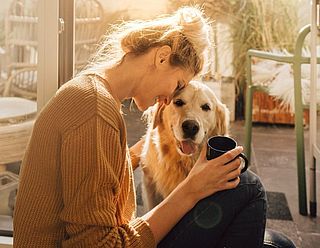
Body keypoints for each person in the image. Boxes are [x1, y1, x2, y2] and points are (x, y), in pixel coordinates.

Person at [13, 6, 266, 247]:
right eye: (178, 84)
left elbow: (96, 170)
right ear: (162, 57)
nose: (168, 99)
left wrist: (138, 154)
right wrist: (190, 189)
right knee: (249, 187)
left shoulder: (91, 92)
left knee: (280, 243)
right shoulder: (93, 110)